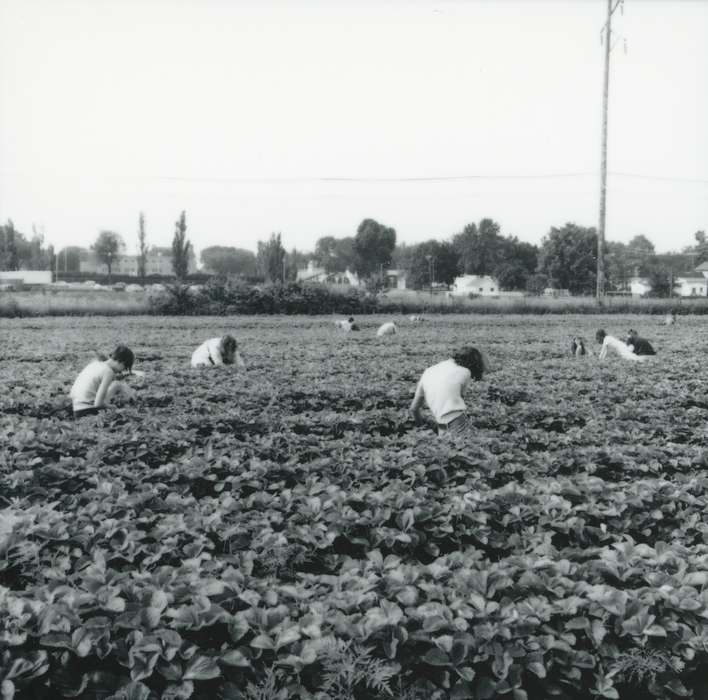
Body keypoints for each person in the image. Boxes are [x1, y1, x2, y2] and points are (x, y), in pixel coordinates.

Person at [410, 346, 487, 436]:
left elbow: (413, 409)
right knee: (474, 445)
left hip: (441, 423)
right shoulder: (465, 371)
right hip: (456, 420)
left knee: (446, 446)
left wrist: (421, 426)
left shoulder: (428, 371)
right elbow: (459, 401)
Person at [70, 345, 136, 418]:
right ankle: (134, 401)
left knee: (116, 385)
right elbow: (98, 404)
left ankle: (132, 399)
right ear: (122, 362)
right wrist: (113, 407)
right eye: (124, 367)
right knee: (124, 411)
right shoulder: (108, 372)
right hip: (88, 411)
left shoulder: (94, 364)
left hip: (76, 410)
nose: (122, 371)